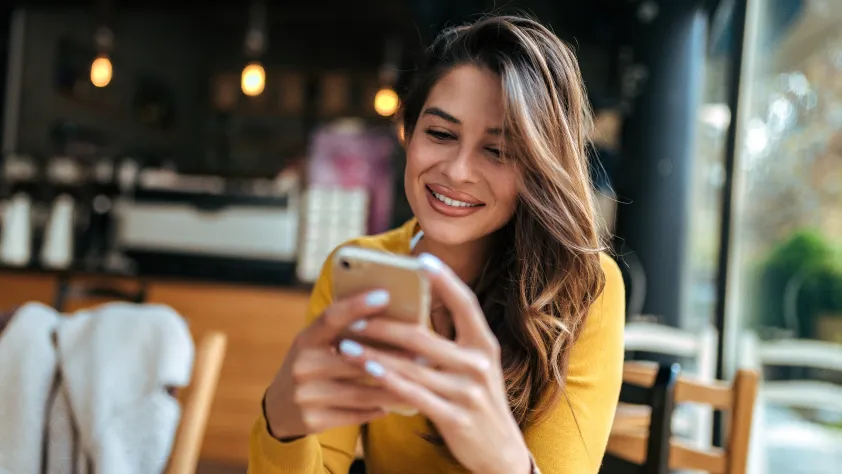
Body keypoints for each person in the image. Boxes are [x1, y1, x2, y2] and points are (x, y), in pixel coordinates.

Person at [250, 14, 625, 474]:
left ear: (538, 170)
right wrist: (283, 426)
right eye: (441, 134)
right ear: (408, 133)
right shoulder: (362, 268)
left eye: (498, 151)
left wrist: (505, 460)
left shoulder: (583, 289)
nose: (457, 171)